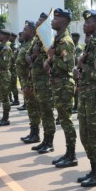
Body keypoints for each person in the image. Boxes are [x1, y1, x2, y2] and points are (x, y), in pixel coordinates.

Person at [74, 9, 96, 187]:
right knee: (85, 134)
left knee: (95, 135)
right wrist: (79, 70)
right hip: (86, 94)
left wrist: (82, 66)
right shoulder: (91, 43)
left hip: (95, 95)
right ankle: (93, 169)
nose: (84, 25)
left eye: (87, 23)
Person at [46, 9, 78, 168]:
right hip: (59, 84)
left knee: (66, 120)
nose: (52, 21)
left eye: (56, 19)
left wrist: (52, 58)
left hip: (64, 84)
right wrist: (50, 61)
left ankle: (71, 155)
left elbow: (68, 65)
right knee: (64, 120)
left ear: (64, 22)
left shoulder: (65, 41)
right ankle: (68, 153)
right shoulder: (58, 39)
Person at [29, 13, 56, 154]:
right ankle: (45, 140)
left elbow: (51, 59)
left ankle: (49, 142)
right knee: (42, 113)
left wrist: (36, 57)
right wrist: (32, 55)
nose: (37, 22)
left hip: (45, 82)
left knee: (47, 113)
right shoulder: (38, 38)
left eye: (40, 20)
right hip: (38, 82)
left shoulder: (48, 38)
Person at [19, 20, 41, 144]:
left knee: (33, 108)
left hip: (30, 81)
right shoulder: (26, 44)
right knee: (31, 109)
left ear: (32, 32)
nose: (23, 32)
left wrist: (27, 84)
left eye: (25, 30)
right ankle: (33, 132)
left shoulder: (31, 45)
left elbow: (30, 66)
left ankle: (35, 134)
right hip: (24, 81)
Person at [71, 32, 83, 114]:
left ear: (77, 38)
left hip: (77, 70)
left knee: (77, 90)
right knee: (74, 89)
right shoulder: (73, 47)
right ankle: (75, 105)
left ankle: (77, 106)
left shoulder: (78, 48)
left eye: (74, 37)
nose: (72, 38)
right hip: (73, 70)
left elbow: (78, 59)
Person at [9, 32, 20, 106]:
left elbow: (13, 57)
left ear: (14, 38)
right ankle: (11, 99)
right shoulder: (11, 45)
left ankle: (16, 100)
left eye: (11, 37)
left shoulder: (14, 47)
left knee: (13, 85)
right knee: (10, 84)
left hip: (13, 68)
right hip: (10, 68)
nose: (9, 38)